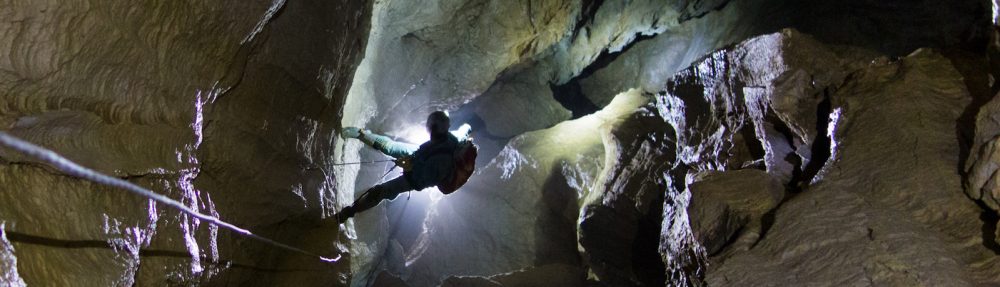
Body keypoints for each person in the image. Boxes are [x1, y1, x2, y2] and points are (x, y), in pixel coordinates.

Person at [331, 111, 471, 224]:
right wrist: (467, 127)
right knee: (390, 146)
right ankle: (361, 134)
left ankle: (349, 212)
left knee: (381, 191)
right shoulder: (450, 137)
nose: (430, 131)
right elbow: (463, 131)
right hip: (421, 154)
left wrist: (409, 167)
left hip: (416, 179)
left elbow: (423, 179)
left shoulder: (442, 163)